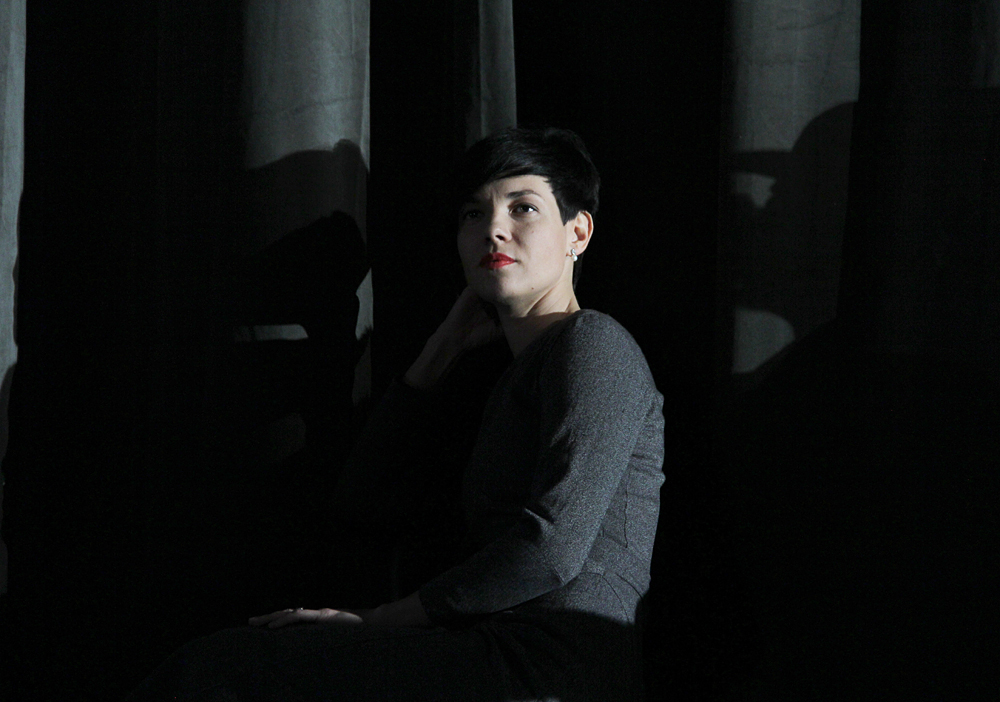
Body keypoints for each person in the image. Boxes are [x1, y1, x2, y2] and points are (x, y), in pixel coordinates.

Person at [126, 127, 665, 702]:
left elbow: (550, 550)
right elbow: (359, 503)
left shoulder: (594, 343)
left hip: (549, 671)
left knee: (224, 669)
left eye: (522, 207)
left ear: (577, 232)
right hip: (488, 652)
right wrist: (439, 353)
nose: (493, 229)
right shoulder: (503, 379)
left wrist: (382, 619)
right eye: (473, 213)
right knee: (223, 660)